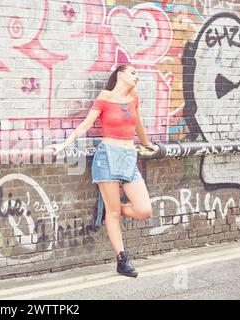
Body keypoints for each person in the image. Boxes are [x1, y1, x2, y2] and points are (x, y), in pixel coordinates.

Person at [46, 64, 158, 277]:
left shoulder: (134, 98)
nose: (137, 77)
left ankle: (110, 210)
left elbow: (138, 124)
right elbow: (85, 125)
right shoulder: (105, 97)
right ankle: (122, 259)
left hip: (128, 157)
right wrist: (63, 145)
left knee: (144, 210)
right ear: (120, 74)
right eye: (133, 73)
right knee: (114, 213)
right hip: (107, 157)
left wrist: (147, 143)